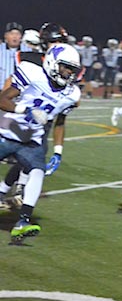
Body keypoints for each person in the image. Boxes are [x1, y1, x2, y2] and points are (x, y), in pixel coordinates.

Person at [0, 43, 82, 243]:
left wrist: (58, 151)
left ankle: (23, 220)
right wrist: (25, 111)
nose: (69, 73)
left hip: (32, 140)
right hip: (7, 130)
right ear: (53, 63)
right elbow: (2, 99)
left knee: (37, 170)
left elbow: (60, 122)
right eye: (66, 67)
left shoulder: (72, 93)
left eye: (73, 69)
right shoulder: (32, 72)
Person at [0, 23, 73, 209]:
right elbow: (9, 86)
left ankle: (17, 190)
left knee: (30, 156)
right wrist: (17, 107)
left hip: (41, 121)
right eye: (53, 41)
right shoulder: (30, 60)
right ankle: (7, 189)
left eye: (60, 41)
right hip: (16, 115)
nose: (57, 46)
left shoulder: (67, 67)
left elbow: (62, 117)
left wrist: (59, 150)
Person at [0, 22, 31, 90]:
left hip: (22, 92)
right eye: (12, 34)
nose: (15, 37)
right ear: (6, 36)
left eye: (17, 34)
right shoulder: (1, 50)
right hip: (2, 91)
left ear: (21, 37)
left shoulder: (28, 51)